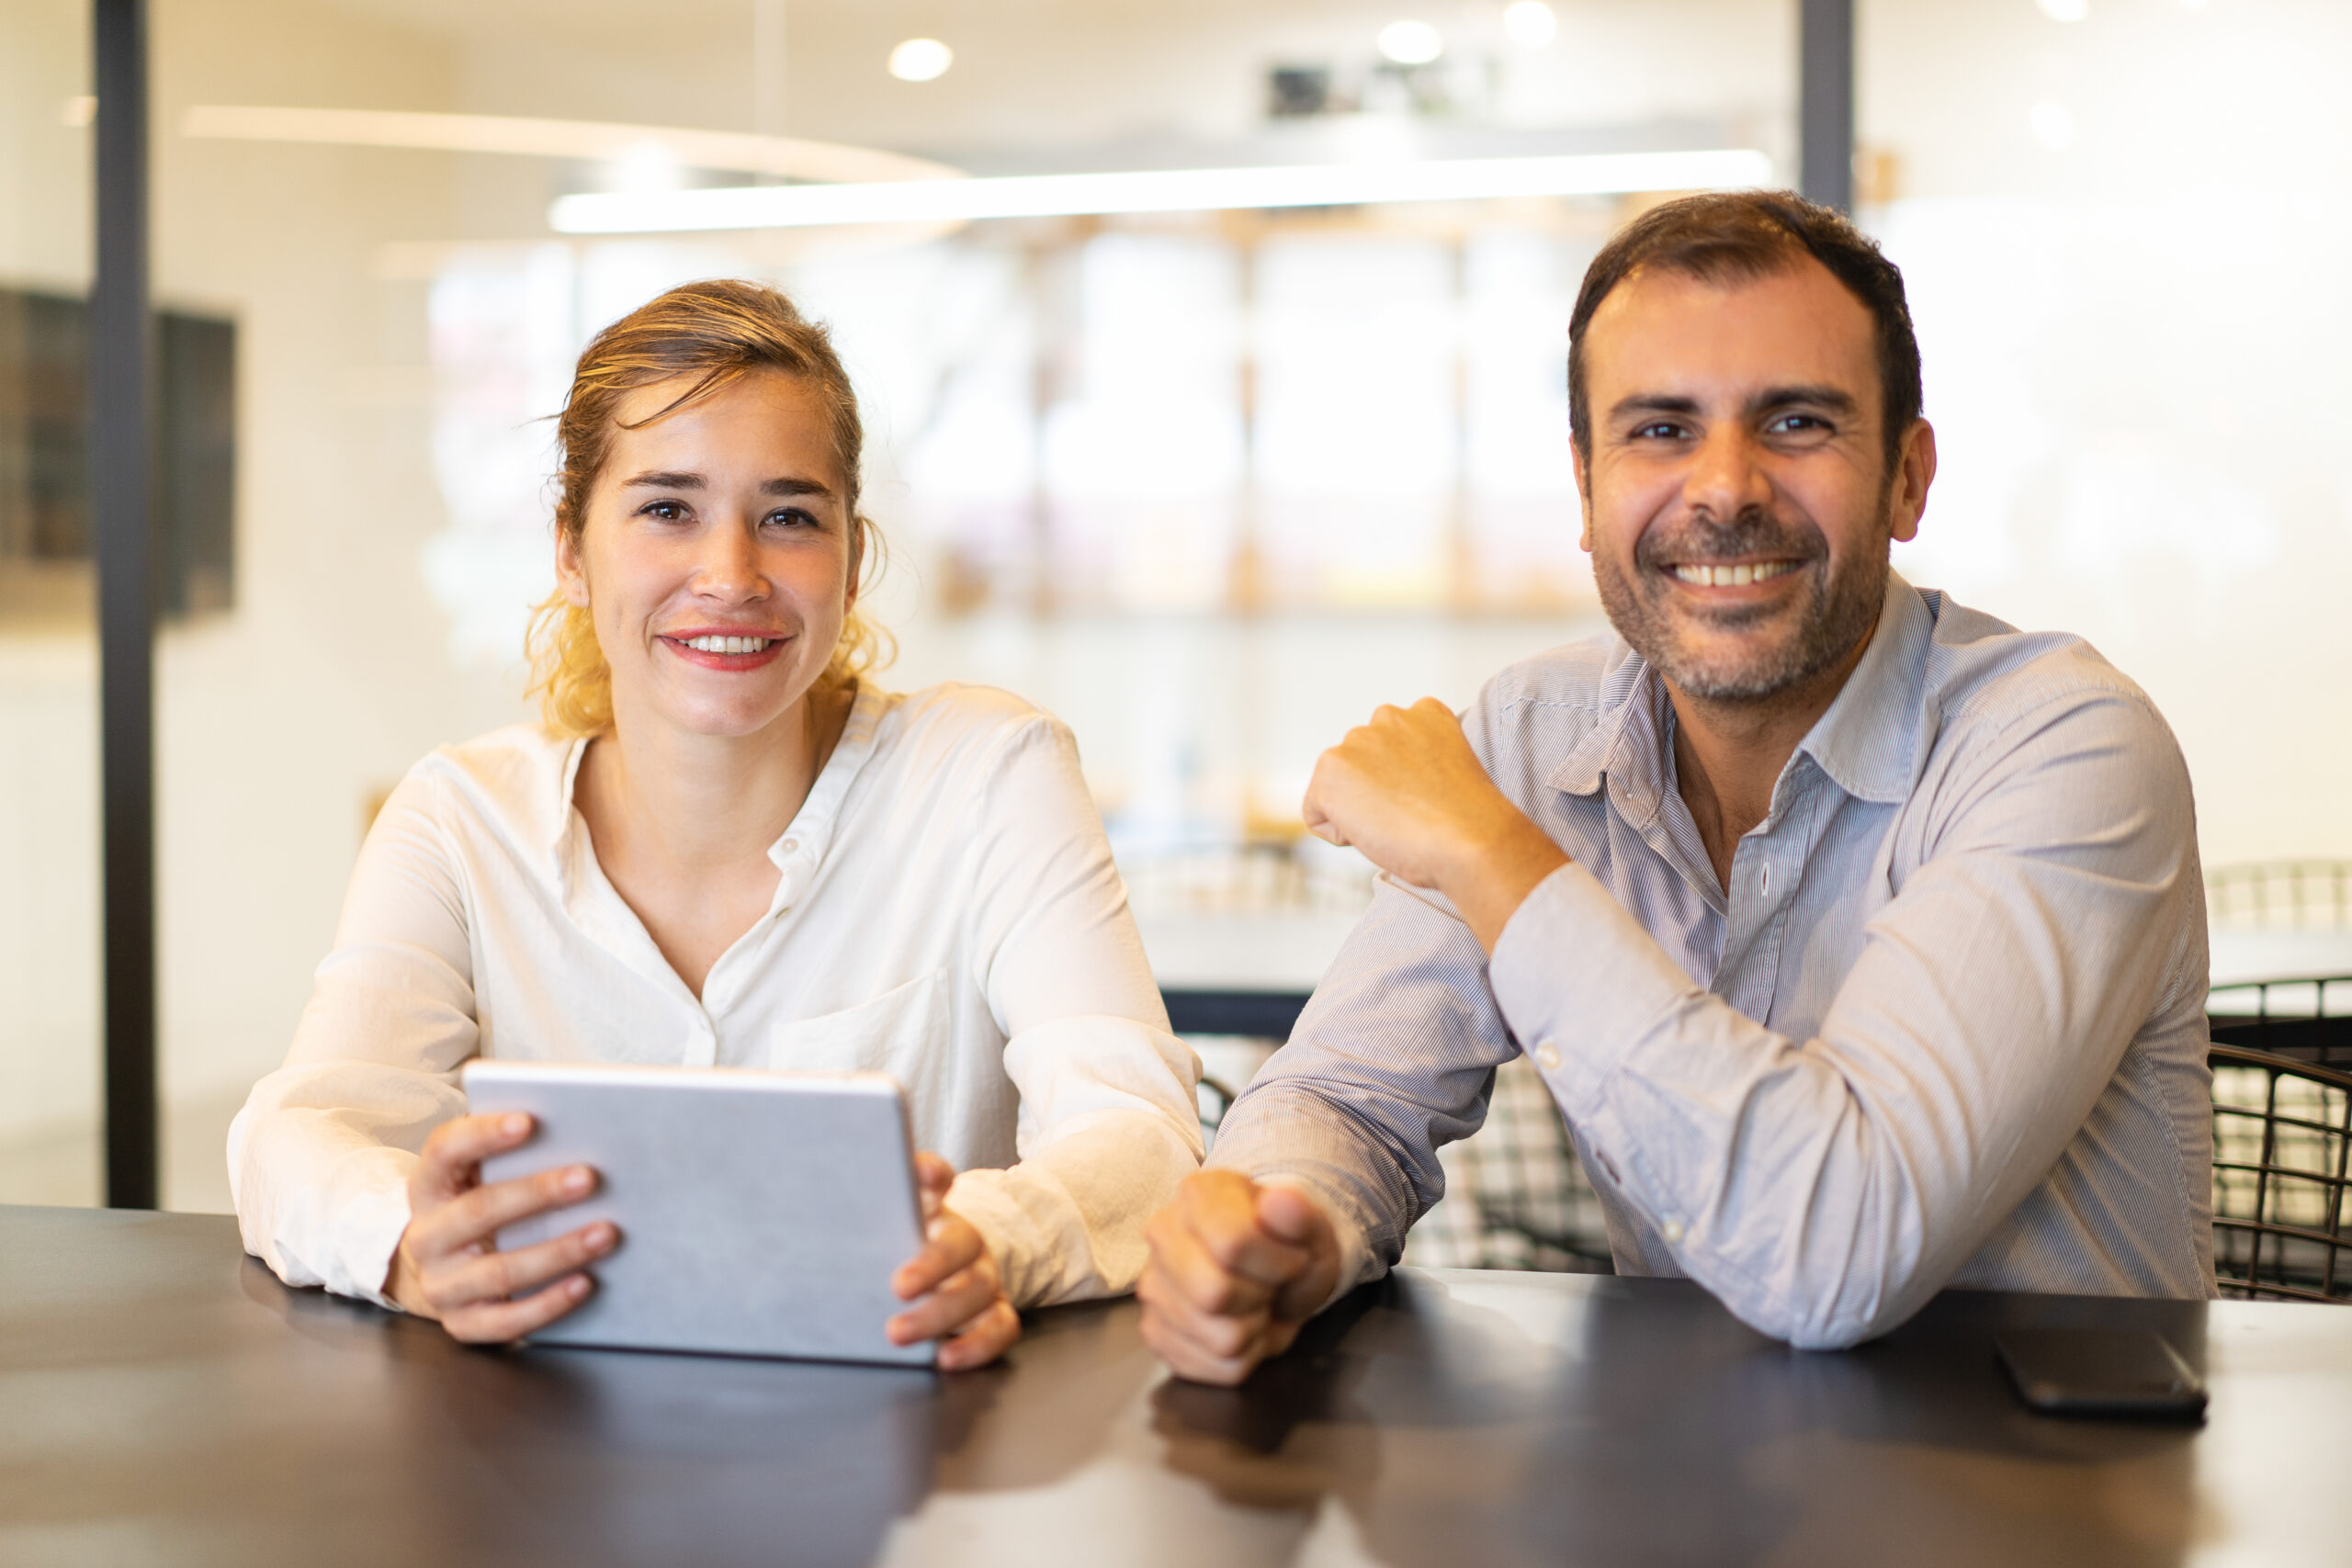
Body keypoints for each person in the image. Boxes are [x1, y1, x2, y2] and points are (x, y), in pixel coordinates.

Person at [1138, 190, 2212, 1382]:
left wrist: (1494, 857)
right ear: (1586, 490)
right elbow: (1347, 1094)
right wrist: (1276, 1225)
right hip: (1684, 1475)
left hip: (2046, 1500)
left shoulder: (2062, 742)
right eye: (1659, 430)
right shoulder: (1531, 733)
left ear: (1908, 478)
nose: (1724, 487)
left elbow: (1838, 1245)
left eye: (1796, 421)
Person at [231, 280, 1202, 1370]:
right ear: (569, 548)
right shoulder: (461, 821)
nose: (732, 576)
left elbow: (1144, 1136)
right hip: (548, 1473)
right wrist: (407, 1242)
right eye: (666, 509)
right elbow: (293, 1135)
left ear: (850, 556)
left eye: (789, 516)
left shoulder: (985, 778)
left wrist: (993, 1240)